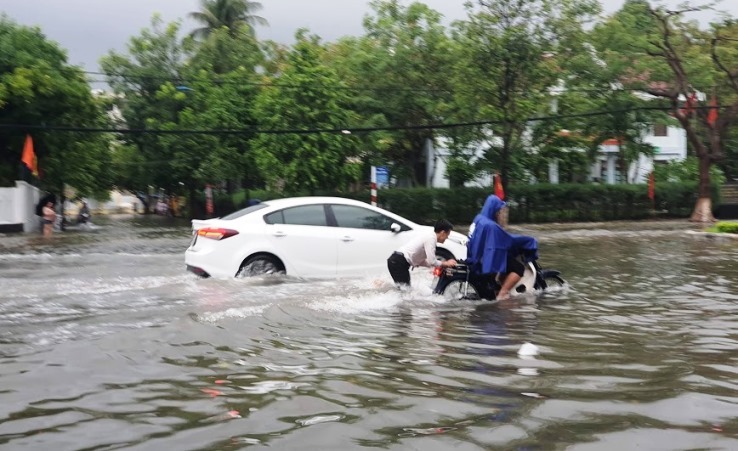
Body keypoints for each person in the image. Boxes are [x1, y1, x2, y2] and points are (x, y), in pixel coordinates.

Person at [466, 195, 538, 301]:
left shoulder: (479, 219)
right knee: (518, 268)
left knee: (506, 261)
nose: (500, 213)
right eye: (499, 210)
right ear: (495, 210)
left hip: (476, 256)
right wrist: (527, 240)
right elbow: (509, 240)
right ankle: (503, 293)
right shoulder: (491, 226)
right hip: (486, 258)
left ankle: (498, 285)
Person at [387, 219, 458, 288]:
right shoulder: (431, 239)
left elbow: (422, 261)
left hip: (397, 261)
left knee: (405, 290)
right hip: (398, 262)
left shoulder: (430, 237)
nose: (447, 238)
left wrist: (434, 267)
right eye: (447, 235)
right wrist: (446, 263)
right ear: (442, 233)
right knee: (405, 291)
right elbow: (432, 261)